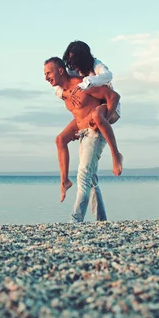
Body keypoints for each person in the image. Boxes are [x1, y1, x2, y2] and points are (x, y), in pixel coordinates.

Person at [44, 57, 120, 223]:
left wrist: (102, 118)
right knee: (90, 179)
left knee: (84, 176)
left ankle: (75, 220)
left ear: (61, 71)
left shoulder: (83, 85)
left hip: (94, 133)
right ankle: (101, 221)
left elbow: (112, 96)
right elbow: (77, 110)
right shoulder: (63, 91)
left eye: (49, 73)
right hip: (83, 133)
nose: (46, 77)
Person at [53, 41, 123, 202]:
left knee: (98, 117)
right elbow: (60, 83)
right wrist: (64, 94)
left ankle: (116, 155)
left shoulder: (96, 66)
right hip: (93, 110)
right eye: (69, 61)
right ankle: (64, 181)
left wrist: (86, 83)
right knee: (60, 139)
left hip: (109, 105)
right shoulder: (72, 71)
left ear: (83, 58)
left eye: (74, 61)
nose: (72, 65)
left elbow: (109, 80)